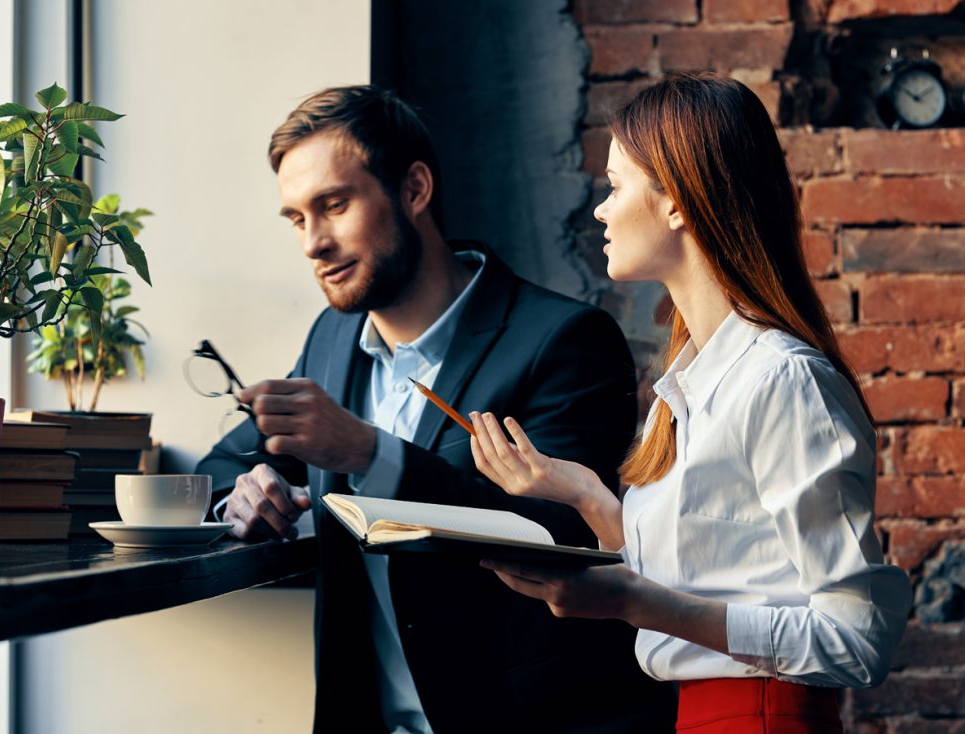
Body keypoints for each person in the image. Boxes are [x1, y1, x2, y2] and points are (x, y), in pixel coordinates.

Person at [196, 86, 675, 733]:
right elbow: (226, 462)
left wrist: (371, 455)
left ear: (415, 190)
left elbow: (559, 539)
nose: (313, 242)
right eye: (296, 218)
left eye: (334, 205)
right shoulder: (330, 341)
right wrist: (246, 495)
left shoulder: (563, 341)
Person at [469, 72, 912, 734]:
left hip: (762, 718)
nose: (600, 209)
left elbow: (858, 640)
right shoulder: (686, 386)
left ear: (676, 202)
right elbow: (709, 576)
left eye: (616, 186)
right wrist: (590, 499)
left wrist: (634, 604)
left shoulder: (783, 380)